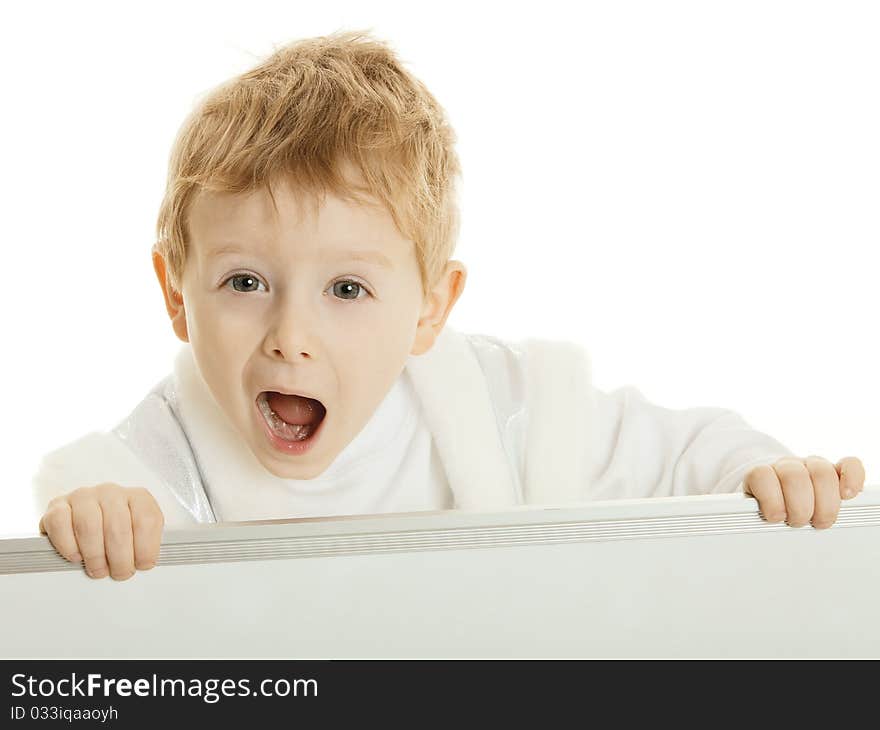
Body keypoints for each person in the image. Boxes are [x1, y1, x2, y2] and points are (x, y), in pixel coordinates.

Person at [33, 30, 866, 581]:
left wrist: (760, 469)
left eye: (347, 289)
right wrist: (97, 523)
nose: (291, 339)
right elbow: (99, 593)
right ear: (175, 295)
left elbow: (688, 451)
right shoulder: (157, 461)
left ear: (431, 309)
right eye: (244, 283)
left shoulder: (499, 410)